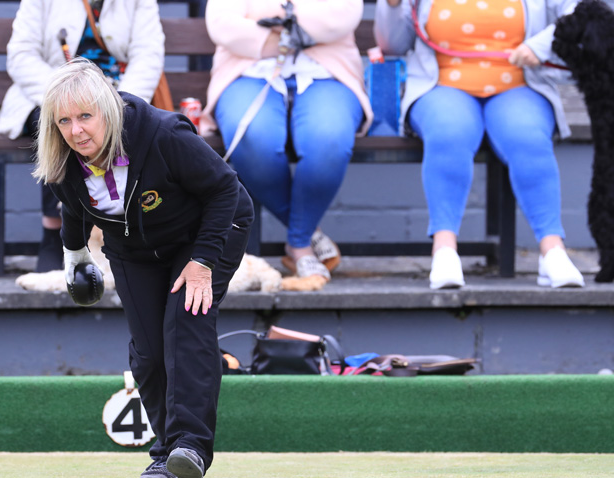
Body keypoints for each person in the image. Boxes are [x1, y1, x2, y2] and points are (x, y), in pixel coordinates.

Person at [33, 58, 254, 478]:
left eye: (85, 117)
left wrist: (204, 260)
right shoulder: (62, 158)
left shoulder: (163, 134)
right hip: (134, 249)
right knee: (149, 351)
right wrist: (76, 258)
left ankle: (188, 446)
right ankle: (164, 452)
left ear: (107, 110)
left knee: (185, 326)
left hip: (207, 232)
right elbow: (74, 207)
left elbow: (226, 189)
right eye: (64, 120)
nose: (76, 131)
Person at [375, 0, 585, 289]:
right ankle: (445, 249)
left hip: (519, 84)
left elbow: (581, 13)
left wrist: (540, 46)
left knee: (527, 137)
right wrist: (393, 6)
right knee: (449, 132)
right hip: (442, 85)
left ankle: (552, 249)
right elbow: (391, 45)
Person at [200, 0, 373, 291]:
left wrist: (269, 23)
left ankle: (300, 244)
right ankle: (306, 237)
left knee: (328, 140)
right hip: (247, 70)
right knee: (254, 138)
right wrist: (294, 32)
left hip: (328, 72)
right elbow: (222, 24)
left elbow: (341, 15)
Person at [0, 0, 165, 272]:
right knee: (63, 125)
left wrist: (119, 106)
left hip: (115, 94)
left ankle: (120, 239)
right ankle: (57, 234)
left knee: (122, 126)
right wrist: (62, 97)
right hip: (49, 91)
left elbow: (148, 55)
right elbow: (21, 55)